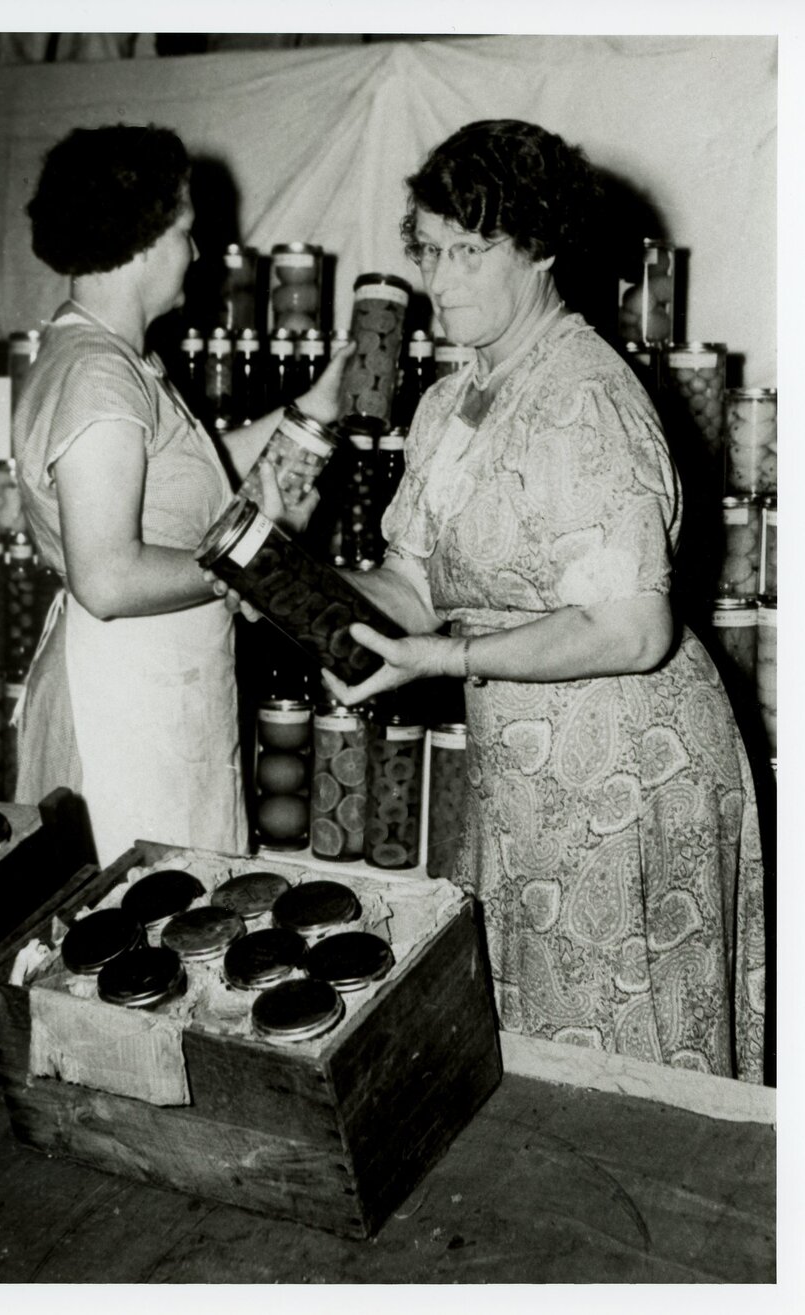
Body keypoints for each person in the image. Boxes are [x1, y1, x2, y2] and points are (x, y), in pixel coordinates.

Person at [255, 119, 765, 1081]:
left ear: (540, 249)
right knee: (537, 1045)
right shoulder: (456, 397)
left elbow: (631, 625)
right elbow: (408, 584)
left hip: (628, 763)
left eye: (466, 252)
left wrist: (444, 658)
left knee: (629, 1065)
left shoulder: (586, 395)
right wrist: (291, 592)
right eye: (427, 250)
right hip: (525, 765)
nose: (437, 280)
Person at [13, 123, 348, 867]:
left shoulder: (110, 357)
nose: (194, 253)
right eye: (187, 231)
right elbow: (105, 577)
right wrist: (245, 560)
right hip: (122, 708)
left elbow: (187, 473)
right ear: (144, 237)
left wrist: (305, 410)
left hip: (153, 687)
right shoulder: (98, 374)